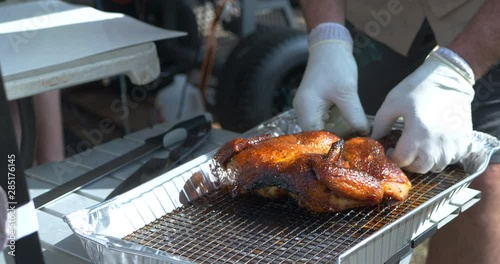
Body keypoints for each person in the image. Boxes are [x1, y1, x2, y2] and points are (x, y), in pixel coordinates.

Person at [293, 0, 500, 263]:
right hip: (378, 12)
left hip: (486, 17)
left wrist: (458, 71)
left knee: (484, 180)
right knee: (353, 134)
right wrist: (327, 37)